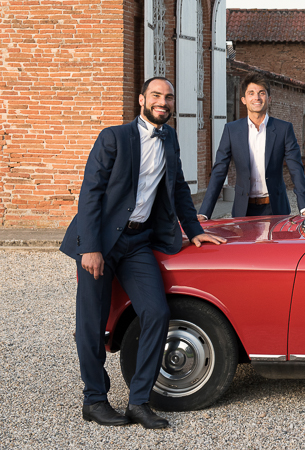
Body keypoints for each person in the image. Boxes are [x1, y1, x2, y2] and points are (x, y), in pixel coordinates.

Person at [59, 77, 226, 429]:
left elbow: (178, 187)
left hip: (138, 243)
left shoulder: (170, 140)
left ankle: (139, 401)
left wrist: (195, 231)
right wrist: (90, 247)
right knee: (92, 323)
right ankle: (94, 399)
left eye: (168, 97)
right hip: (100, 243)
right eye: (156, 95)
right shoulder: (114, 137)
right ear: (141, 99)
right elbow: (91, 193)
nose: (162, 102)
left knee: (155, 311)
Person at [198, 73, 305, 221]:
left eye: (261, 93)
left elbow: (296, 169)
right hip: (243, 209)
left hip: (276, 208)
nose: (256, 97)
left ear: (269, 99)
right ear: (244, 100)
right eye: (251, 93)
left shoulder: (284, 129)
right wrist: (205, 212)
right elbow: (219, 170)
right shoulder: (231, 130)